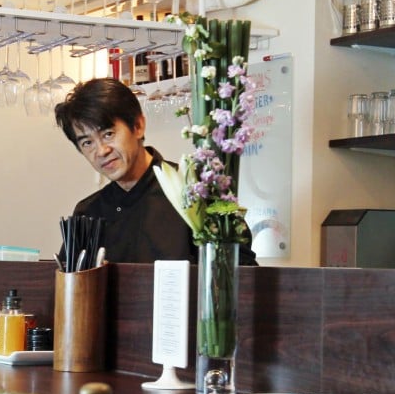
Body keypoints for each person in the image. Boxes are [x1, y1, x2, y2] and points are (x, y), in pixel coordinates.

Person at [53, 77, 256, 264]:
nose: (101, 151)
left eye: (108, 134)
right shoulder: (87, 213)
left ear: (138, 126)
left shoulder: (198, 192)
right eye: (87, 142)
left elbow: (240, 277)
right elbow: (69, 288)